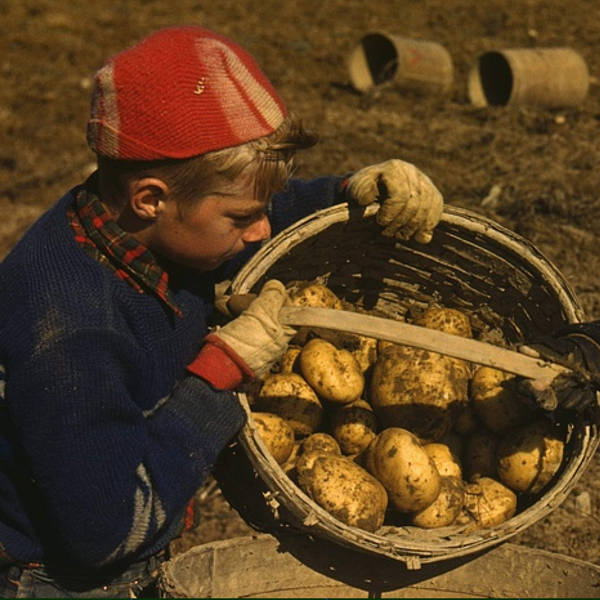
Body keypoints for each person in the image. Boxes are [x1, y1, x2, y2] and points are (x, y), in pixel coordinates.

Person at [0, 25, 597, 598]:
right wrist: (219, 373)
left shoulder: (135, 221)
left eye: (267, 208)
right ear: (150, 198)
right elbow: (104, 534)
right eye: (243, 218)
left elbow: (233, 211)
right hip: (59, 579)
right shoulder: (71, 324)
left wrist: (346, 193)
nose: (263, 230)